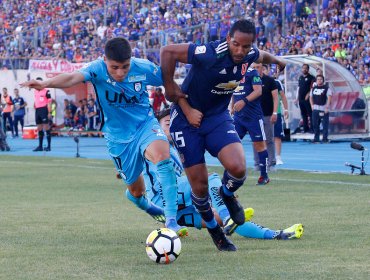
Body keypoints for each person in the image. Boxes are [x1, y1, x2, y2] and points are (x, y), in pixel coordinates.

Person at [20, 37, 188, 237]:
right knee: (136, 191)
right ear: (105, 60)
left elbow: (168, 79)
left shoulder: (142, 68)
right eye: (114, 67)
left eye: (125, 67)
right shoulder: (96, 69)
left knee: (163, 157)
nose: (120, 72)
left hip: (145, 125)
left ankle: (171, 222)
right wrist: (45, 83)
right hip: (118, 138)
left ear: (131, 60)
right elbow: (72, 78)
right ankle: (152, 208)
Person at [160, 19, 286, 251]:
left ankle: (226, 193)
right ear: (228, 39)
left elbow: (263, 55)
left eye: (245, 47)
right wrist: (171, 90)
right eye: (236, 44)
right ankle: (216, 233)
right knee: (199, 187)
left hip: (217, 118)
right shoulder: (209, 53)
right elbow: (167, 52)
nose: (240, 51)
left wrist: (279, 61)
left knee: (239, 169)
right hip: (187, 123)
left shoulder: (249, 54)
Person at [128, 109, 304, 241]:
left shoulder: (176, 149)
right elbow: (133, 185)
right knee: (209, 178)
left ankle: (276, 234)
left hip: (175, 207)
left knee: (219, 218)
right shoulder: (151, 146)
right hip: (162, 199)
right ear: (156, 128)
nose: (172, 126)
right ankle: (228, 216)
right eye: (167, 123)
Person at [231, 65, 270, 185]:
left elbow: (258, 91)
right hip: (238, 117)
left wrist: (244, 101)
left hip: (253, 116)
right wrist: (232, 106)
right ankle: (234, 173)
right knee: (231, 144)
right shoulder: (233, 71)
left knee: (259, 145)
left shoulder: (252, 72)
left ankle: (264, 176)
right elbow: (233, 91)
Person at [253, 63, 278, 171]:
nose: (255, 69)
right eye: (253, 67)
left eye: (257, 67)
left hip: (267, 115)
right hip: (254, 116)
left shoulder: (270, 81)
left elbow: (276, 98)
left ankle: (271, 163)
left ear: (262, 68)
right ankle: (258, 164)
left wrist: (275, 113)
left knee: (269, 140)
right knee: (256, 140)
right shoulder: (250, 80)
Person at [29, 77, 53, 152]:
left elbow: (49, 102)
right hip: (37, 110)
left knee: (46, 127)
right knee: (39, 128)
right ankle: (40, 146)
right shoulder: (35, 91)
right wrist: (35, 104)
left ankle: (49, 146)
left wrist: (49, 112)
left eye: (39, 83)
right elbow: (36, 99)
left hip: (44, 110)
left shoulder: (47, 91)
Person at [310, 75, 332, 143]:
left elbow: (329, 98)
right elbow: (311, 97)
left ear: (323, 80)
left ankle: (325, 139)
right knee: (315, 124)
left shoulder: (327, 88)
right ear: (316, 80)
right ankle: (316, 139)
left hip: (323, 108)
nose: (319, 80)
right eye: (318, 79)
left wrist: (327, 107)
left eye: (320, 79)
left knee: (325, 125)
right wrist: (312, 105)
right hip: (315, 109)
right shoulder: (313, 88)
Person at [295, 64, 315, 133]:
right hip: (301, 99)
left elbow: (313, 88)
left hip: (308, 99)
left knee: (310, 114)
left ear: (308, 69)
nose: (304, 69)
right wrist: (296, 98)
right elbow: (298, 88)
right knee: (303, 115)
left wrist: (309, 94)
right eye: (303, 68)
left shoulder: (312, 78)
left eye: (306, 68)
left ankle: (312, 129)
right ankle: (306, 129)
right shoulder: (300, 78)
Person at [274, 77, 289, 165]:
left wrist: (286, 110)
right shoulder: (257, 80)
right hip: (263, 114)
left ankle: (278, 157)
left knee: (277, 136)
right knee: (264, 138)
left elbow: (283, 96)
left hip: (277, 112)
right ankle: (267, 157)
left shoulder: (277, 82)